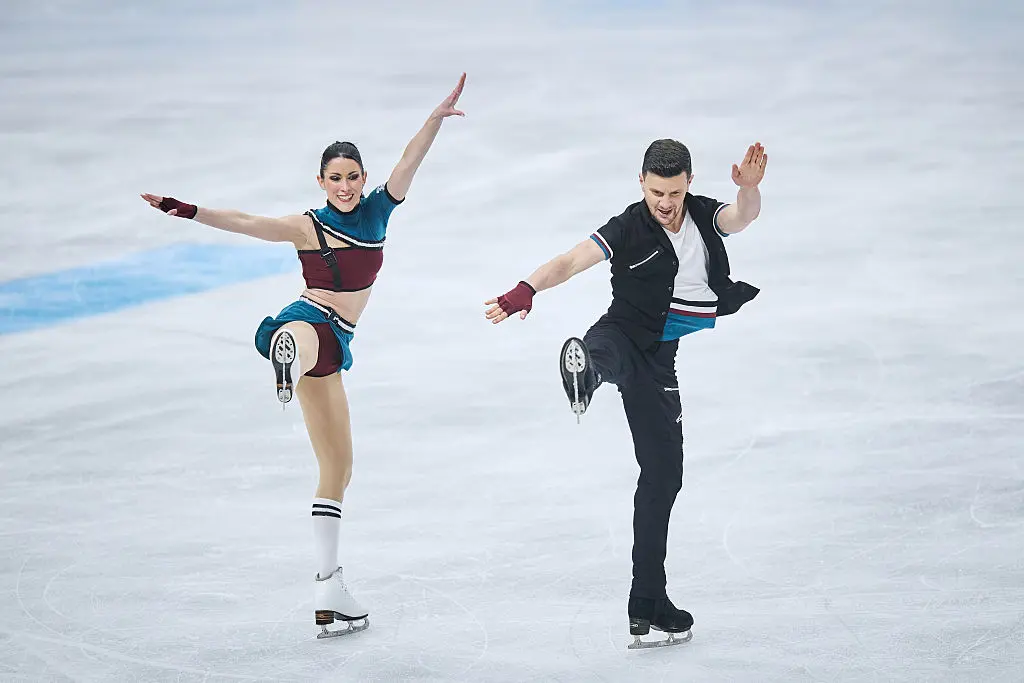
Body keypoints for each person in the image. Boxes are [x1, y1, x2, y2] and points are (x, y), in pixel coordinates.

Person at [141, 73, 467, 639]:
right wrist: (186, 209)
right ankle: (287, 350)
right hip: (312, 322)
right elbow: (246, 222)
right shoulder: (305, 225)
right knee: (307, 334)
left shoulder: (378, 212)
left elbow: (409, 162)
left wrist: (433, 121)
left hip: (331, 344)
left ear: (364, 178)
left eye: (352, 176)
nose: (345, 185)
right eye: (335, 178)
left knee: (337, 469)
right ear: (321, 181)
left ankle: (328, 588)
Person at [485, 138, 767, 647]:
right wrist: (525, 289)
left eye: (674, 192)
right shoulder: (627, 226)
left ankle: (647, 601)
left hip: (659, 355)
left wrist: (748, 188)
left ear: (689, 185)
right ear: (641, 182)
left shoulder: (703, 216)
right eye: (656, 191)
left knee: (664, 476)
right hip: (620, 332)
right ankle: (584, 376)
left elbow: (742, 218)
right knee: (602, 356)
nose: (665, 202)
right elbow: (572, 261)